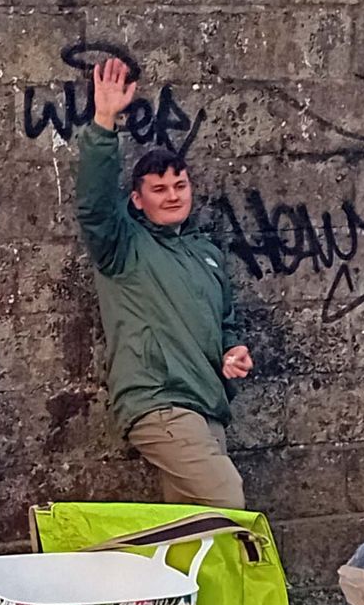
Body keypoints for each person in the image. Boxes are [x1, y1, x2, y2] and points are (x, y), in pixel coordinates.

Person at [77, 57, 251, 510]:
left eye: (180, 186)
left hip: (207, 406)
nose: (173, 196)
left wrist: (232, 352)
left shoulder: (207, 254)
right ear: (137, 199)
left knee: (196, 531)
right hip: (159, 404)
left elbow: (226, 325)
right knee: (228, 499)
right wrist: (104, 120)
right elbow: (94, 205)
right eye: (159, 189)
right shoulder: (123, 246)